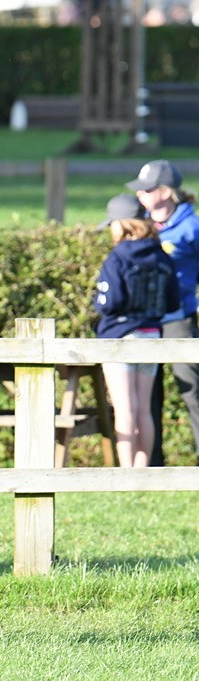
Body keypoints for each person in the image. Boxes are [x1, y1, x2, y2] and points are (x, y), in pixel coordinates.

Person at [93, 194, 179, 468]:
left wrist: (99, 299)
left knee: (125, 408)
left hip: (120, 338)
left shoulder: (117, 258)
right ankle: (143, 470)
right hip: (151, 336)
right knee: (144, 408)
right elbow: (173, 301)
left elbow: (110, 302)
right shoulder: (161, 255)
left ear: (122, 224)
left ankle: (127, 470)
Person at [126, 160, 199, 464]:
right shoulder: (138, 221)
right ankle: (151, 464)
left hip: (179, 318)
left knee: (192, 388)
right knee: (146, 394)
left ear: (167, 192)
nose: (140, 194)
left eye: (148, 188)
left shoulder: (192, 226)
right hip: (145, 319)